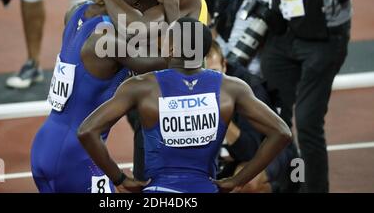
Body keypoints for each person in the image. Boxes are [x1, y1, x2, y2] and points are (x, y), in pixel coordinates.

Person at [232, 0, 365, 192]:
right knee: (278, 121)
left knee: (306, 123)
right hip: (283, 32)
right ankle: (293, 184)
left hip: (324, 37)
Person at [78, 17, 292, 193]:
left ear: (170, 46)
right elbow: (281, 132)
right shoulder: (233, 88)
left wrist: (119, 178)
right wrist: (237, 180)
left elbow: (87, 131)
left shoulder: (141, 87)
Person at [31, 0, 185, 193]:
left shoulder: (77, 12)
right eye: (149, 12)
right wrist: (171, 6)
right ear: (136, 5)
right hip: (77, 157)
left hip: (44, 145)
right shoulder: (109, 43)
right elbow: (180, 59)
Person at [98, 0, 210, 181]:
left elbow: (135, 29)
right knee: (147, 180)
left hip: (187, 104)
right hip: (147, 103)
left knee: (188, 180)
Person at [206, 40, 299, 193]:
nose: (211, 82)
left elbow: (250, 150)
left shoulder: (249, 89)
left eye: (215, 72)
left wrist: (219, 115)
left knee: (247, 183)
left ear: (225, 65)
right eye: (205, 74)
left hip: (268, 151)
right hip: (226, 157)